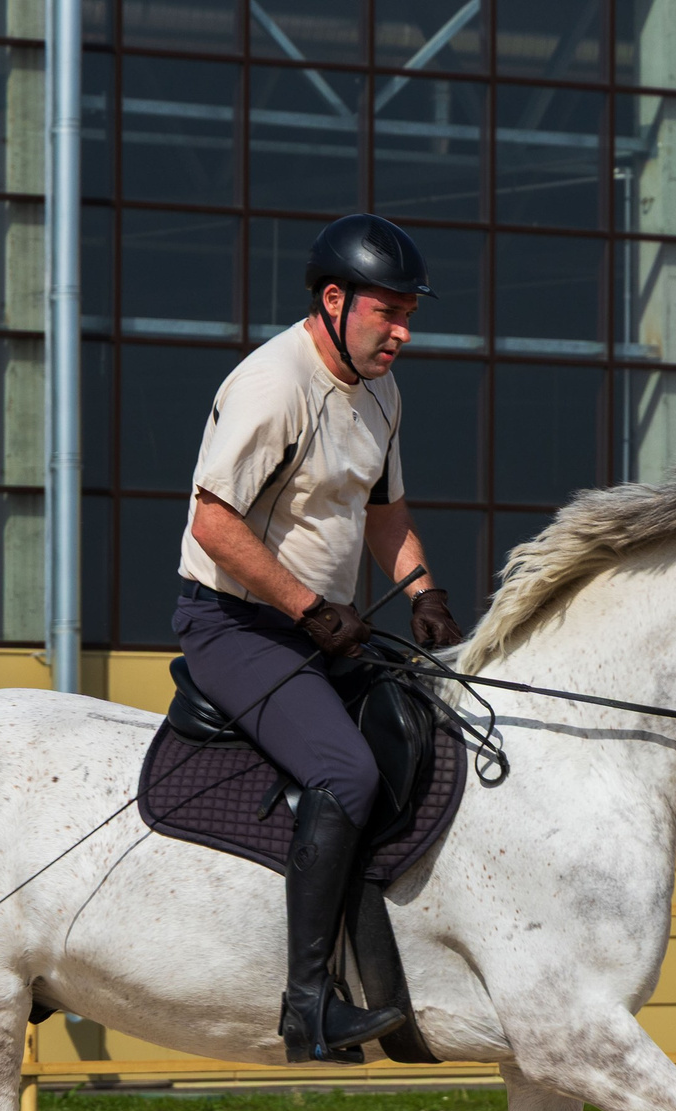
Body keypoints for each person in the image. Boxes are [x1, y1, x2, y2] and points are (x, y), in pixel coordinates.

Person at [172, 212, 468, 1064]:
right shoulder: (275, 385)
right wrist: (311, 608)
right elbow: (214, 524)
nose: (402, 332)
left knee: (431, 727)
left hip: (317, 627)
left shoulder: (381, 391)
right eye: (389, 313)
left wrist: (425, 592)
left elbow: (385, 513)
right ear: (334, 301)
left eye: (409, 315)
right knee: (345, 771)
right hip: (234, 622)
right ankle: (307, 1004)